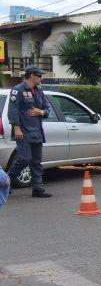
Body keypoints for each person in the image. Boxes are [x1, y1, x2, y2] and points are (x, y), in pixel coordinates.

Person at [7, 65, 52, 198]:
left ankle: (38, 189)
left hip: (37, 131)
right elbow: (13, 111)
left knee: (36, 161)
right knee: (24, 159)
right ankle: (4, 182)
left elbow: (47, 109)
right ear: (32, 75)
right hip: (23, 131)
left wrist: (41, 112)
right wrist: (16, 128)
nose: (41, 78)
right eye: (39, 76)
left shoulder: (39, 90)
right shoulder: (17, 90)